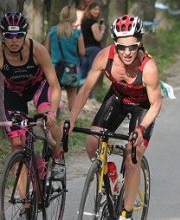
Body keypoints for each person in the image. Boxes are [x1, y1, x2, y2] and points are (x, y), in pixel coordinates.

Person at [69, 15, 162, 220]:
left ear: (140, 43)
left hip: (143, 106)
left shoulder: (148, 68)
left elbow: (156, 105)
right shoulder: (104, 57)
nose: (127, 52)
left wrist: (140, 129)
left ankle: (126, 213)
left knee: (132, 155)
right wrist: (72, 119)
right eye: (122, 47)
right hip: (117, 98)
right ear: (114, 43)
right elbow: (85, 90)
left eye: (132, 46)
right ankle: (108, 176)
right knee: (92, 142)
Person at [0, 13, 64, 178]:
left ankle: (57, 156)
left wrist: (52, 113)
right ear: (3, 36)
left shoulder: (38, 51)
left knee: (47, 115)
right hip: (14, 91)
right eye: (9, 35)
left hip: (39, 86)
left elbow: (55, 86)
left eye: (19, 35)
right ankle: (26, 201)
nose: (14, 40)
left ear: (25, 34)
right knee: (17, 142)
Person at [45, 5, 85, 111]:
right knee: (72, 97)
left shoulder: (52, 31)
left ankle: (52, 118)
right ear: (74, 17)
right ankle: (71, 123)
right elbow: (82, 52)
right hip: (71, 69)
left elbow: (45, 50)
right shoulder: (77, 33)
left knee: (54, 95)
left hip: (55, 69)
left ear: (61, 15)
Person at [79, 2, 106, 86]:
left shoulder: (84, 22)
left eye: (98, 9)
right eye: (95, 9)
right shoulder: (93, 23)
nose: (97, 11)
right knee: (92, 74)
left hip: (85, 49)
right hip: (94, 50)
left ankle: (79, 93)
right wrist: (102, 30)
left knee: (83, 73)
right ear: (89, 10)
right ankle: (89, 96)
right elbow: (98, 38)